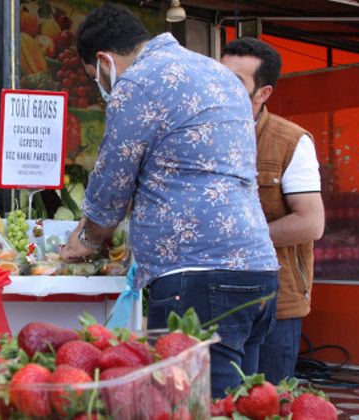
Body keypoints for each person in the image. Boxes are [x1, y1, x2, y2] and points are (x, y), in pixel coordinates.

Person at [59, 3, 280, 397]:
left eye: (97, 78)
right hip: (259, 268)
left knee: (194, 403)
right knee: (243, 402)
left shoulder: (137, 82)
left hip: (196, 275)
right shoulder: (219, 73)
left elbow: (114, 179)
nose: (102, 85)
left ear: (104, 60)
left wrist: (88, 239)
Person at [221, 37, 325, 384]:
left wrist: (237, 242)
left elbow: (311, 221)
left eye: (234, 82)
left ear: (262, 93)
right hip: (214, 293)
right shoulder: (199, 133)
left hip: (276, 300)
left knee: (267, 400)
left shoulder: (290, 141)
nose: (220, 88)